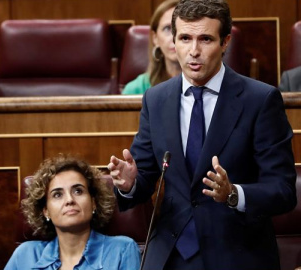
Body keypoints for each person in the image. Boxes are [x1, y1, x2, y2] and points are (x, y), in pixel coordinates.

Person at [108, 0, 297, 269]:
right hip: (171, 253)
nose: (194, 51)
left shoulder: (260, 100)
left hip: (236, 252)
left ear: (225, 42)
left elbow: (283, 191)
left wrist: (233, 193)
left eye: (205, 39)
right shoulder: (156, 99)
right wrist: (129, 185)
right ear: (174, 41)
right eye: (185, 38)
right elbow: (147, 176)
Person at [5, 155, 141, 270]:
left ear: (93, 203)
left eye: (78, 191)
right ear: (46, 211)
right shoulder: (25, 254)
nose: (69, 200)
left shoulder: (122, 250)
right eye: (57, 195)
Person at [122, 0, 181, 95]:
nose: (175, 38)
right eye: (167, 28)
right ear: (155, 38)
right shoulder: (136, 89)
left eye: (182, 28)